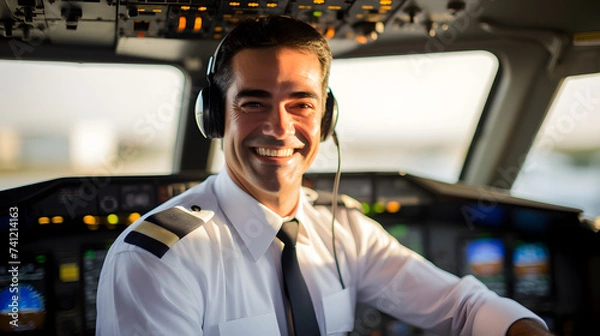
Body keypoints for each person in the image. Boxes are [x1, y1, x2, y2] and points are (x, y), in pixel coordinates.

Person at [96, 15, 553, 336]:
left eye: (301, 103)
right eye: (253, 103)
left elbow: (462, 307)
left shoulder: (344, 230)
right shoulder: (157, 260)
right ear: (215, 117)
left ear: (325, 118)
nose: (280, 127)